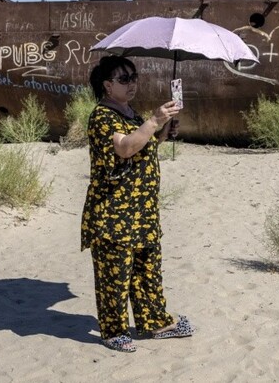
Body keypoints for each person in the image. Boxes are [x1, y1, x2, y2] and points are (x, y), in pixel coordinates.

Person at [80, 55, 194, 353]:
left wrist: (163, 131)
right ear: (108, 85)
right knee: (114, 275)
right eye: (124, 79)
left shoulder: (130, 113)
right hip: (114, 213)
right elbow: (125, 148)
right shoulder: (102, 115)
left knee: (147, 270)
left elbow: (143, 146)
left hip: (141, 212)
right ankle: (113, 331)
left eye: (134, 77)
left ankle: (157, 322)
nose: (132, 84)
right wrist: (154, 120)